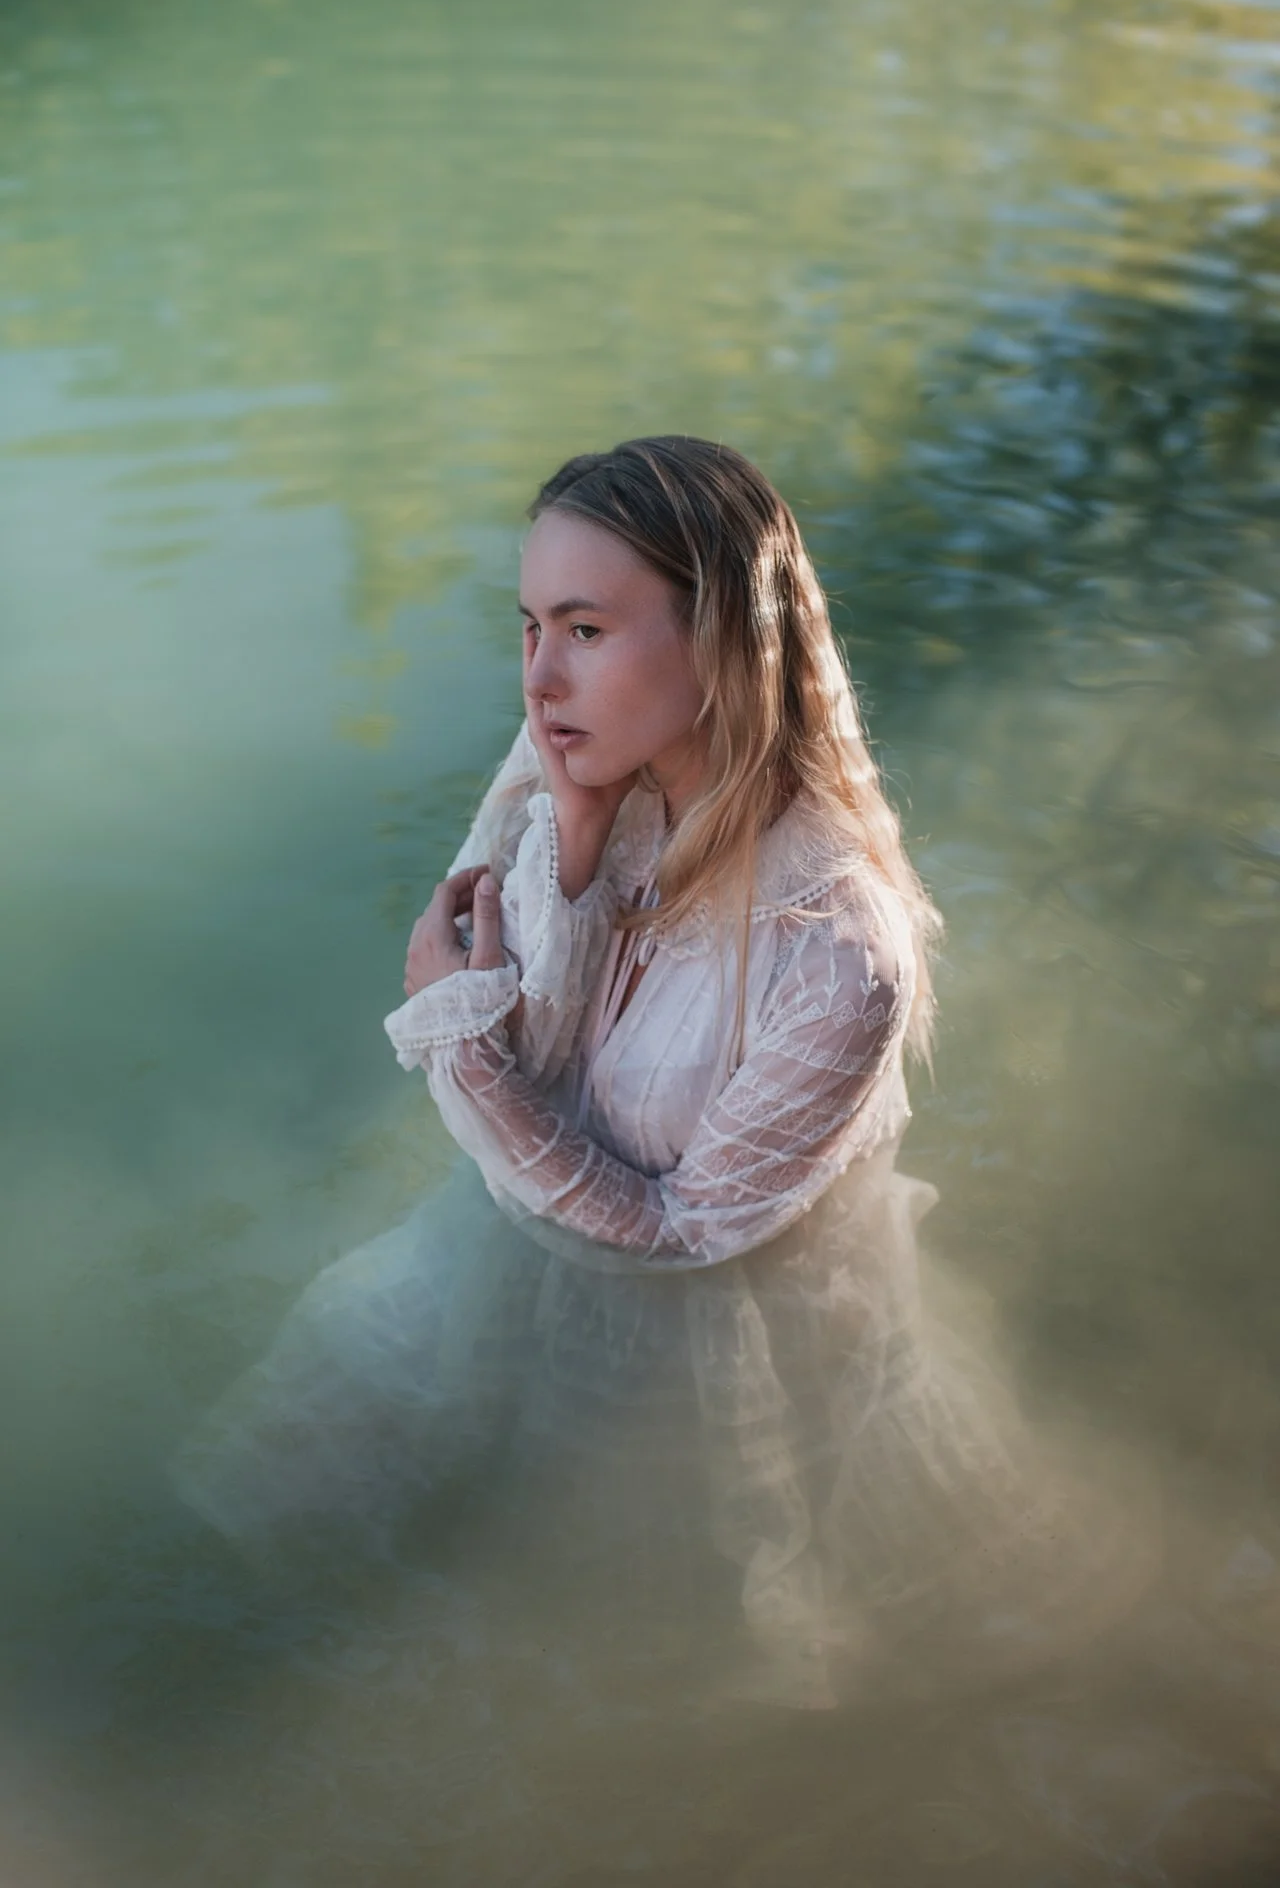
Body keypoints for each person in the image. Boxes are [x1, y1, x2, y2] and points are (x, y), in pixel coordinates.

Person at [172, 436, 1154, 1710]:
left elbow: (678, 1232)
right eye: (527, 626)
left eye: (584, 627)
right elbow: (549, 1058)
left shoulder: (837, 951)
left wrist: (452, 1032)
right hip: (517, 1248)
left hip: (715, 1328)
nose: (536, 681)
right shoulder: (570, 771)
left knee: (655, 1665)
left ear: (724, 645)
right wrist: (571, 856)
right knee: (289, 1515)